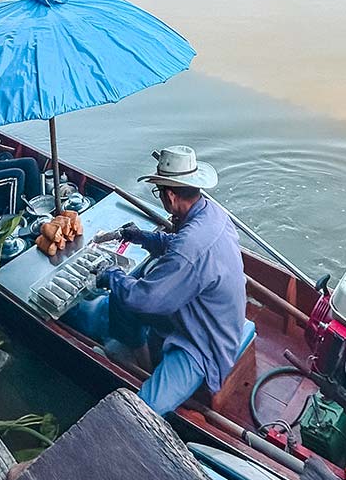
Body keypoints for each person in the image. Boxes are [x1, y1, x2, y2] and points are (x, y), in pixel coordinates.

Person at [90, 146, 247, 416]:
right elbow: (177, 245)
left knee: (142, 412)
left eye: (159, 192)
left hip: (204, 343)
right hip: (210, 316)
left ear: (171, 196)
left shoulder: (192, 245)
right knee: (121, 298)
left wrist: (110, 275)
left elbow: (146, 299)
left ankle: (148, 391)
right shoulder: (211, 213)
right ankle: (143, 361)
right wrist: (142, 237)